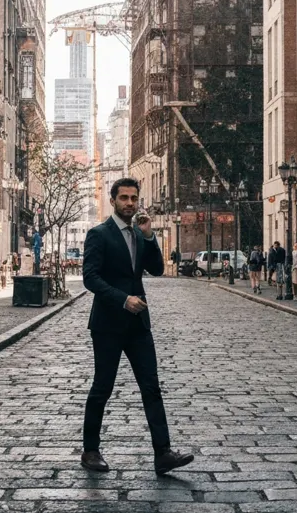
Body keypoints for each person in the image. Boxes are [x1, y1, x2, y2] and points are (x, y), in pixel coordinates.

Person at [81, 177, 193, 476]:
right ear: (113, 200)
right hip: (107, 324)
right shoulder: (99, 234)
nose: (129, 203)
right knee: (102, 387)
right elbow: (90, 278)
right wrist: (122, 299)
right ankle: (90, 450)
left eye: (133, 198)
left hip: (139, 324)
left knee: (151, 387)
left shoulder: (139, 233)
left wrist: (149, 236)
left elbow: (156, 269)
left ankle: (163, 453)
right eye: (124, 198)